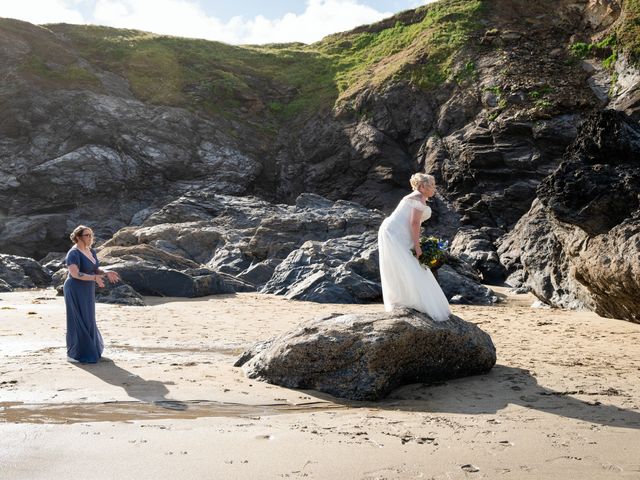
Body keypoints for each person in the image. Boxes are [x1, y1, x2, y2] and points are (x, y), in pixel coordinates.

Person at [378, 173, 451, 321]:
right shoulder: (418, 198)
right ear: (422, 186)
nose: (434, 189)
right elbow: (414, 223)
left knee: (407, 264)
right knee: (409, 264)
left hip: (396, 231)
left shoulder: (418, 197)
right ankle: (410, 301)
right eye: (432, 185)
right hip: (394, 233)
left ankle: (407, 300)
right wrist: (418, 246)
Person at [64, 225, 120, 363]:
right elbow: (75, 274)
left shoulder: (91, 251)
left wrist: (106, 272)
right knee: (78, 319)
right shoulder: (73, 253)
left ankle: (92, 350)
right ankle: (74, 354)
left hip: (87, 288)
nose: (90, 238)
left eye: (91, 235)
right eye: (87, 235)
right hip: (75, 288)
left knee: (89, 318)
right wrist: (94, 278)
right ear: (78, 237)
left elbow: (95, 269)